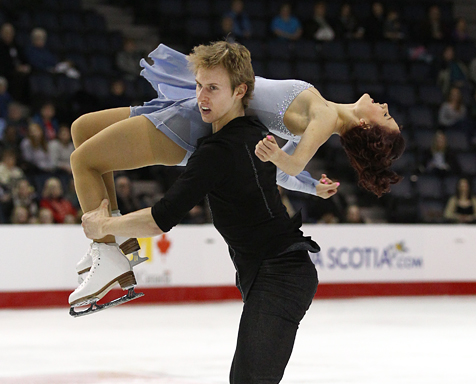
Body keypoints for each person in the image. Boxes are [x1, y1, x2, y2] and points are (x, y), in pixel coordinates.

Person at [76, 40, 355, 384]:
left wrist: (104, 226)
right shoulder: (250, 136)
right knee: (248, 383)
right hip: (267, 273)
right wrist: (310, 184)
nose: (202, 98)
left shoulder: (219, 149)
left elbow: (162, 217)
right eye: (199, 87)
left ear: (240, 92)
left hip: (282, 272)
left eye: (213, 89)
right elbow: (279, 169)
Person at [68, 42, 404, 283]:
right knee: (82, 129)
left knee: (84, 161)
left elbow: (290, 165)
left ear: (366, 126)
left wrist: (284, 162)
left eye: (385, 115)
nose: (384, 104)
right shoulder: (322, 109)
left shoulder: (326, 116)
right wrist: (313, 187)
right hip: (199, 102)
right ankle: (119, 244)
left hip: (195, 122)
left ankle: (108, 253)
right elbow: (286, 172)